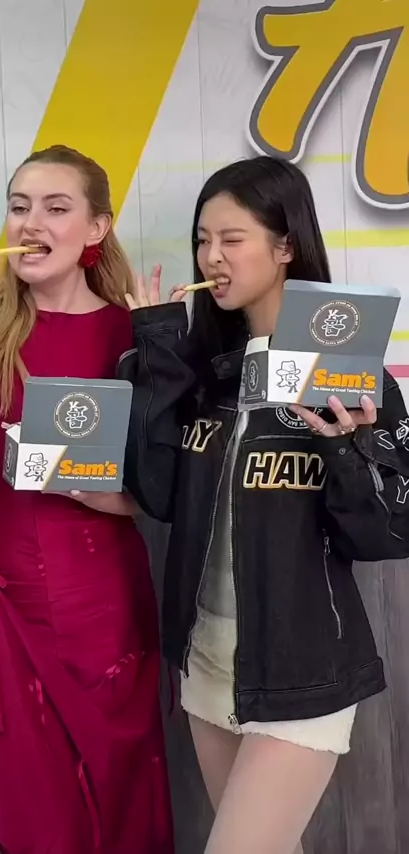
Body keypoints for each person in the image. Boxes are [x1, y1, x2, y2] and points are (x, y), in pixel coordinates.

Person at [121, 156, 409, 854]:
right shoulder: (206, 373)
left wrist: (346, 447)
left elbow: (387, 534)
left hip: (302, 671)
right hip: (206, 664)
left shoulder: (352, 376)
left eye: (232, 238)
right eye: (202, 240)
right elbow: (158, 494)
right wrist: (159, 354)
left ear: (285, 247)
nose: (211, 257)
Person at [0, 145, 173, 854]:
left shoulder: (130, 333)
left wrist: (95, 495)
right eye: (19, 206)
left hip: (100, 601)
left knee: (113, 792)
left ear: (96, 228)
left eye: (56, 208)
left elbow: (158, 493)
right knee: (31, 810)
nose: (31, 223)